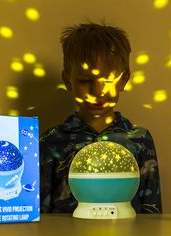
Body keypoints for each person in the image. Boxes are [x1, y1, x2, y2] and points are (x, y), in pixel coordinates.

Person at [40, 21, 162, 214]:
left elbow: (151, 211)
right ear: (67, 80)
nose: (97, 91)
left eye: (108, 80)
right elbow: (41, 216)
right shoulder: (51, 141)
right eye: (85, 80)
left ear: (124, 80)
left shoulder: (140, 140)